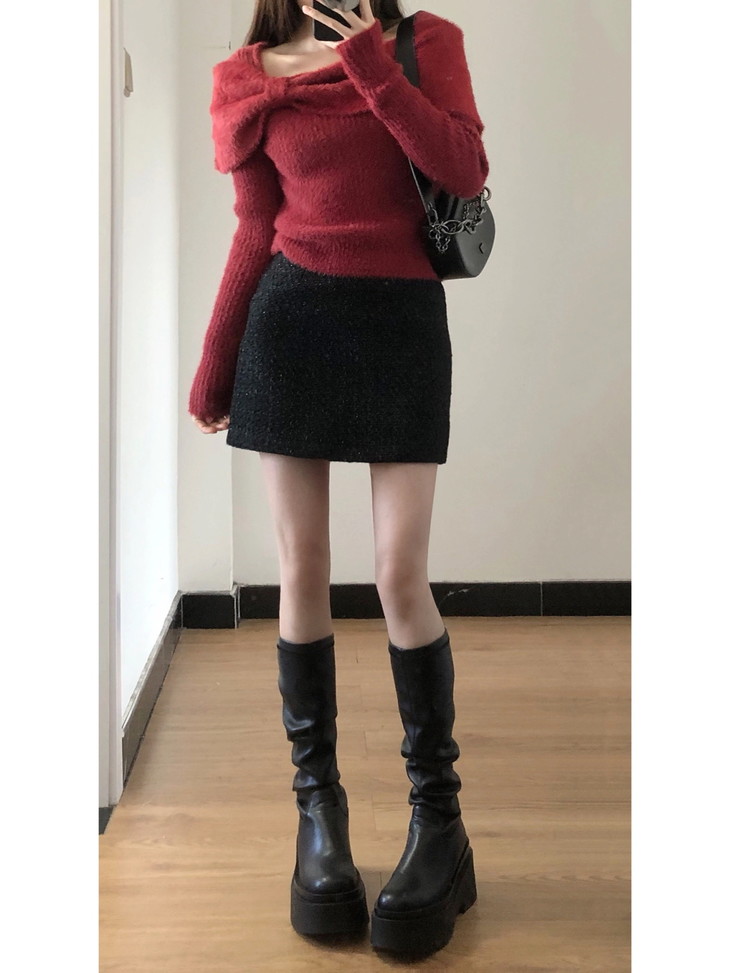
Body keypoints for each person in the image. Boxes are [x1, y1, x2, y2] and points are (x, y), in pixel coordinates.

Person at [188, 0, 489, 957]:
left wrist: (370, 63)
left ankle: (439, 826)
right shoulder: (249, 76)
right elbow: (255, 225)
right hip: (290, 324)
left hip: (402, 324)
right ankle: (319, 818)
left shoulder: (424, 43)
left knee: (400, 573)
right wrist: (216, 362)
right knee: (303, 567)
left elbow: (464, 169)